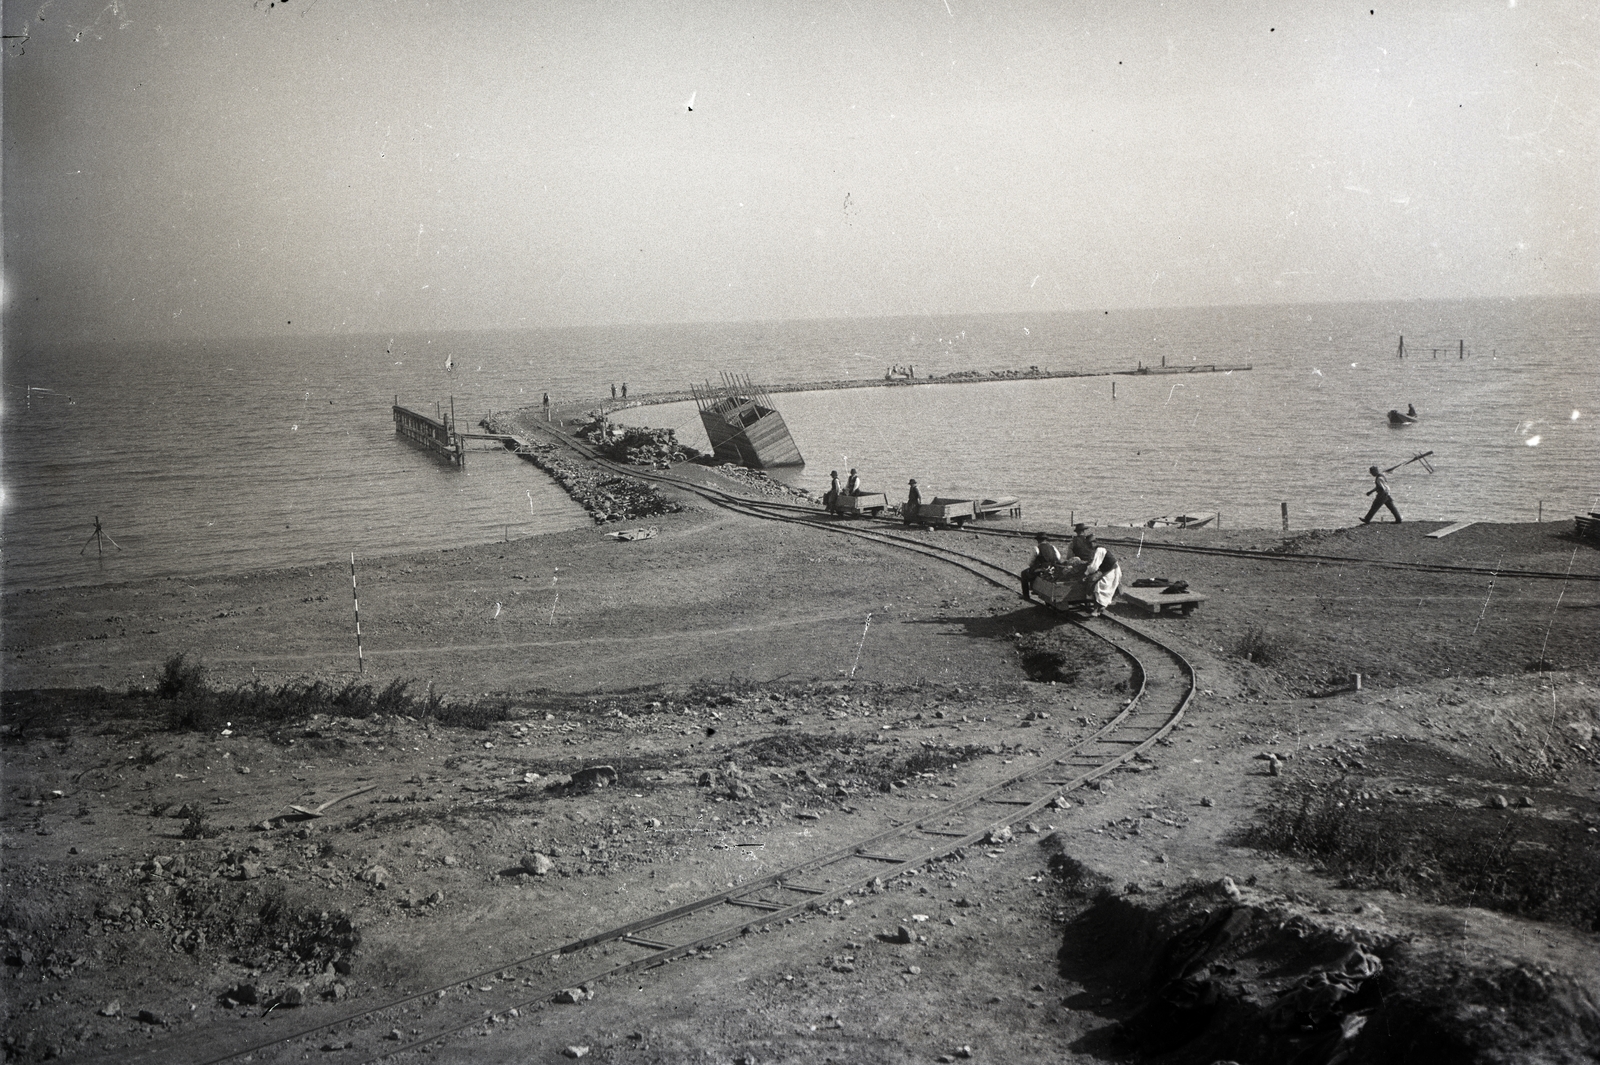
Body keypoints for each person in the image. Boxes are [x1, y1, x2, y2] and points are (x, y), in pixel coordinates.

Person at [1079, 531, 1121, 615]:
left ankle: (1097, 609)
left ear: (1095, 542)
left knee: (1099, 587)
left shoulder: (1100, 550)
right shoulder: (1096, 550)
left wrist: (1086, 573)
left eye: (1092, 543)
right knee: (1099, 585)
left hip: (1112, 571)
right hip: (1108, 570)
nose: (1091, 545)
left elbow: (1094, 566)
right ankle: (1101, 607)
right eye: (1089, 544)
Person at [1020, 532, 1063, 600]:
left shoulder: (1036, 548)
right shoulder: (1052, 547)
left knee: (1023, 573)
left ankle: (1026, 596)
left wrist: (1034, 566)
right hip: (1053, 568)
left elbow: (1030, 562)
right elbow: (1058, 557)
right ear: (1045, 540)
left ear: (1038, 540)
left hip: (1041, 569)